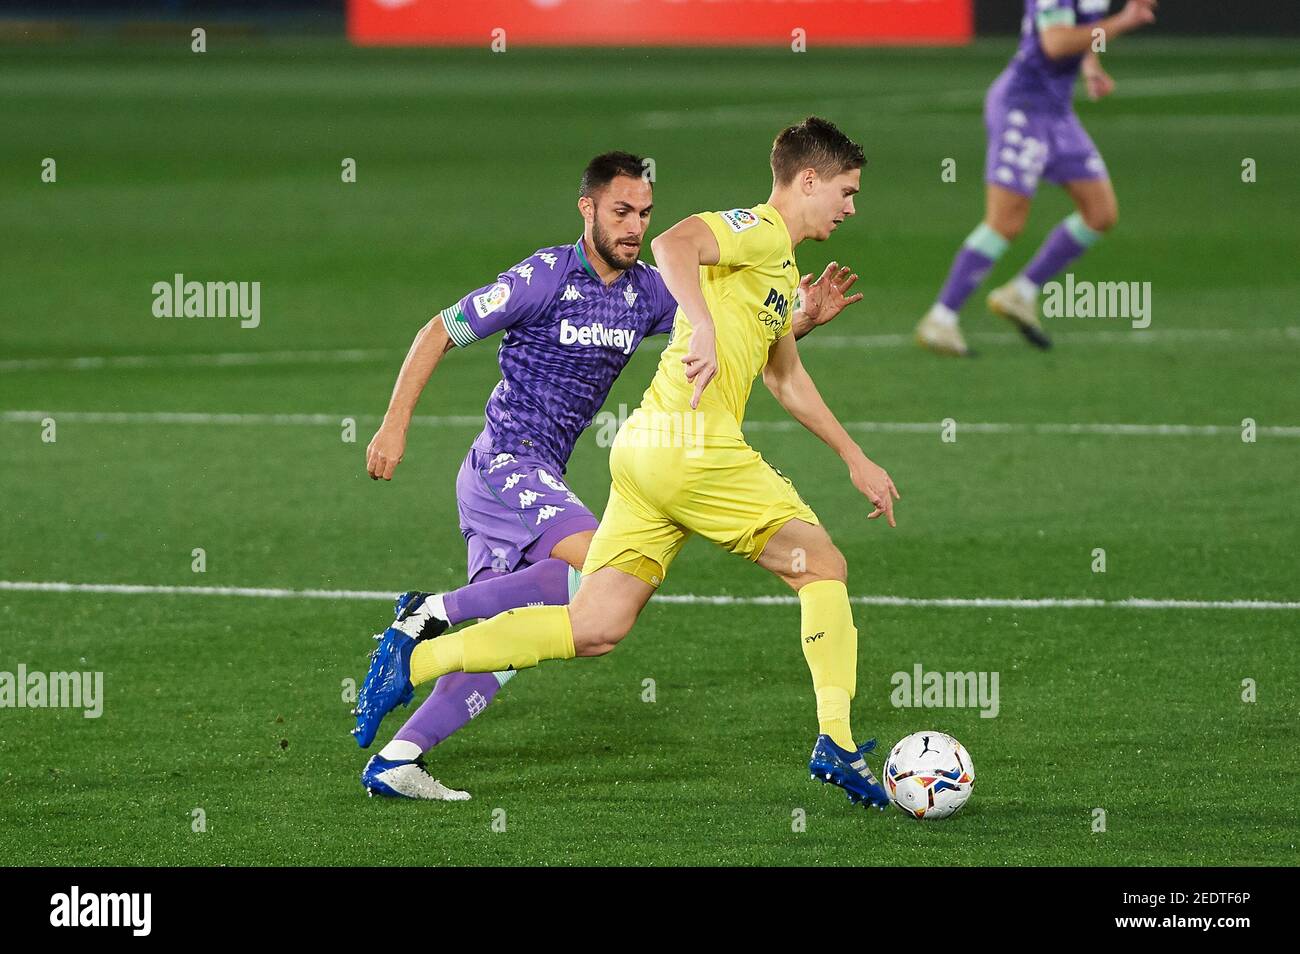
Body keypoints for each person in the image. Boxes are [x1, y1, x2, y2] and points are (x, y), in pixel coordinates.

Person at [354, 117, 900, 809]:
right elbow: (681, 247)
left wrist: (803, 332)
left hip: (637, 456)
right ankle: (837, 742)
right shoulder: (734, 235)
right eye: (846, 192)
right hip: (569, 456)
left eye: (644, 212)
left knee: (592, 625)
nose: (852, 208)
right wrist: (394, 427)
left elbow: (772, 365)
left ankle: (410, 687)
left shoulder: (701, 282)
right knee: (822, 567)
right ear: (810, 181)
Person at [916, 0, 1157, 357]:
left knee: (1100, 213)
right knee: (1005, 222)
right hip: (1022, 108)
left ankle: (1021, 293)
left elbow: (1078, 32)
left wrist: (1091, 65)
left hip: (1057, 113)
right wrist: (1123, 21)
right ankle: (941, 318)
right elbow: (1056, 42)